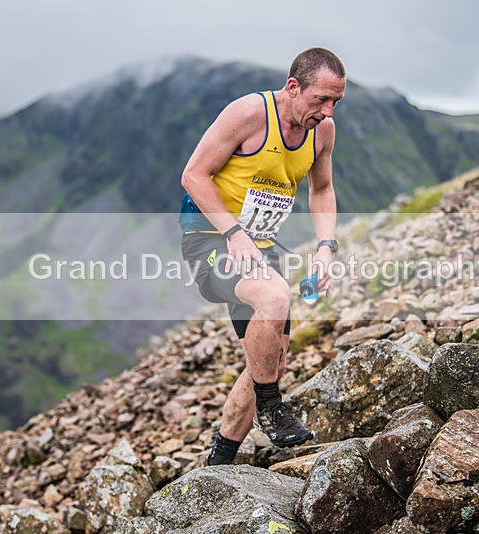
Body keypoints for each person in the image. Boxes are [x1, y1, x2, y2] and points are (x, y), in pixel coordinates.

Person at [178, 47, 345, 466]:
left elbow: (321, 190)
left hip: (260, 247)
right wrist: (233, 233)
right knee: (275, 298)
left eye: (335, 102)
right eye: (320, 100)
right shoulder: (251, 113)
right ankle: (272, 409)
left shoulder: (322, 132)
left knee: (270, 358)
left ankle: (220, 459)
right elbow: (193, 174)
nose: (326, 112)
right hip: (211, 239)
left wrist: (326, 249)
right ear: (293, 87)